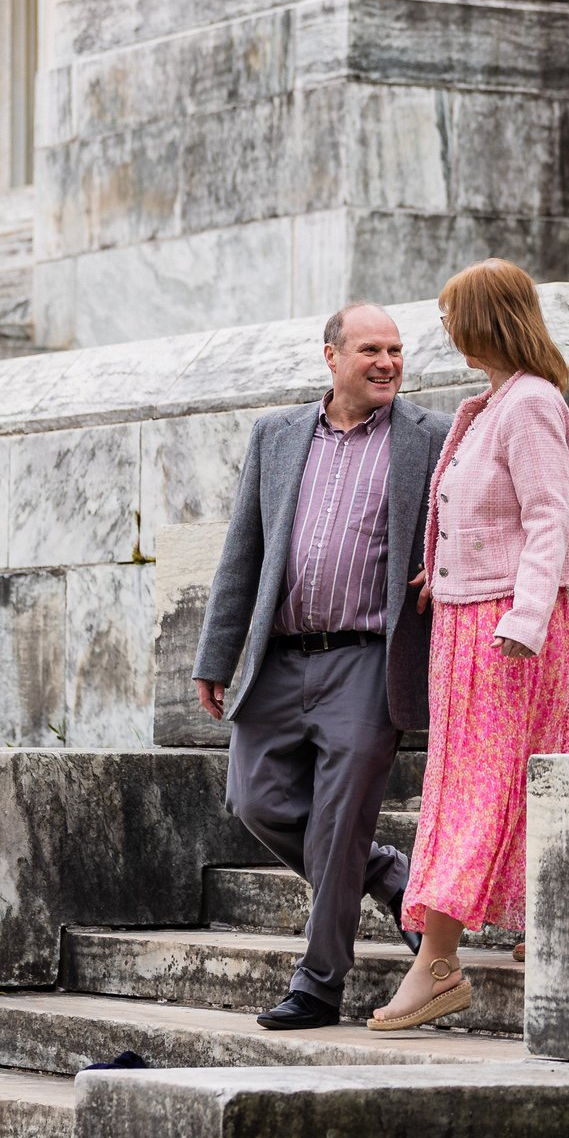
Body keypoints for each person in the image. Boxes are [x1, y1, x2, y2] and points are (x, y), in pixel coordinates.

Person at [194, 302, 452, 1030]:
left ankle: (319, 982)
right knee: (254, 799)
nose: (388, 363)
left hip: (370, 660)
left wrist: (451, 569)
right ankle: (395, 881)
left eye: (398, 351)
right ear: (331, 356)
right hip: (278, 657)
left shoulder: (430, 436)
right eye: (371, 348)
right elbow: (242, 551)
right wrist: (216, 655)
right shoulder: (276, 434)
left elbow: (466, 520)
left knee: (340, 823)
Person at [372, 258, 569, 1033]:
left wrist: (524, 619)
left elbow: (547, 516)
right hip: (469, 623)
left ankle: (437, 963)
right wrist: (443, 573)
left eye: (452, 315)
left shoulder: (530, 404)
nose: (445, 331)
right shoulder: (495, 403)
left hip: (507, 632)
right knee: (484, 784)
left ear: (488, 318)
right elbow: (483, 513)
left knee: (470, 792)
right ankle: (546, 925)